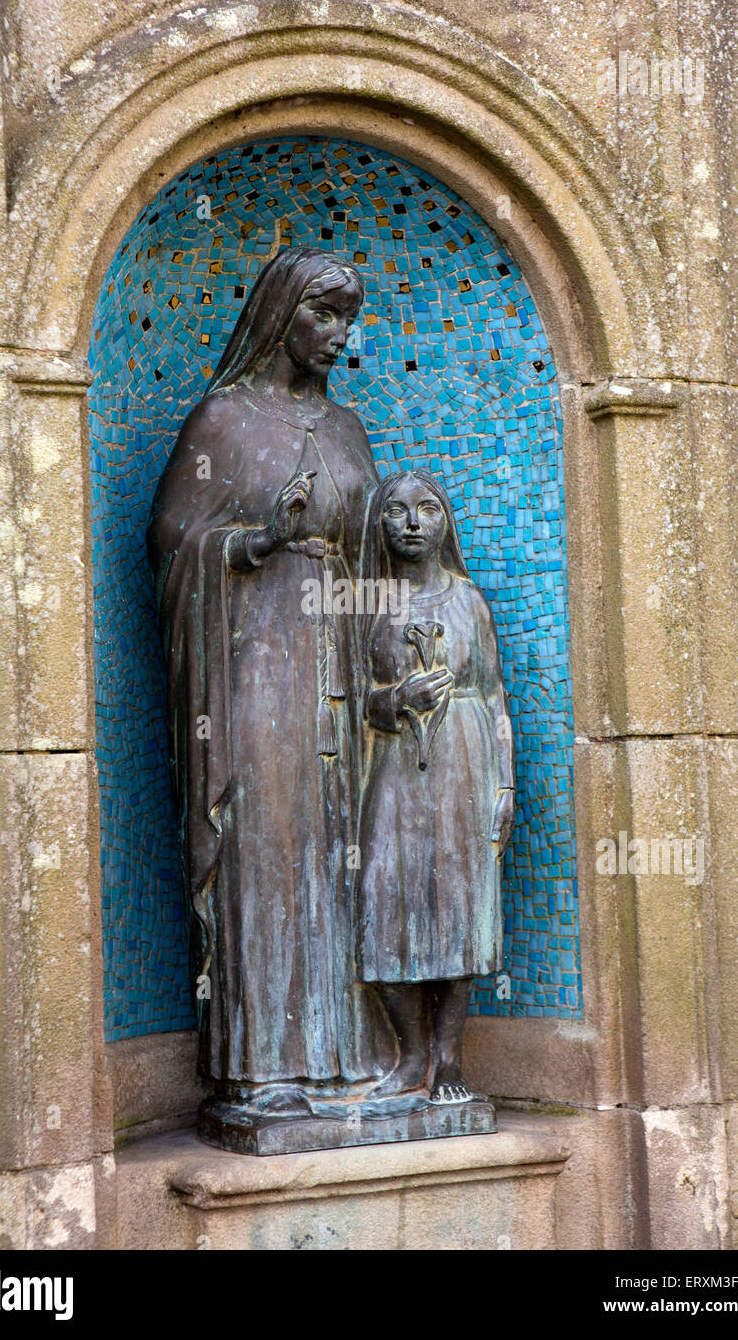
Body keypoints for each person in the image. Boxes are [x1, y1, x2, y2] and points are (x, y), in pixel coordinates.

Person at [147, 246, 392, 1115]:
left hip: (343, 663)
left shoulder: (348, 428)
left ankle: (352, 1055)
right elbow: (174, 543)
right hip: (253, 665)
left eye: (347, 318)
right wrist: (252, 540)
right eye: (322, 314)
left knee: (346, 848)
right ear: (281, 313)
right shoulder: (223, 420)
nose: (338, 335)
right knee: (269, 848)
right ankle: (265, 1065)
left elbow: (378, 544)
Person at [356, 470, 515, 1103]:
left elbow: (496, 694)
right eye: (397, 511)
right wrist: (394, 699)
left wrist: (504, 784)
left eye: (426, 509)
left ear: (445, 521)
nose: (413, 522)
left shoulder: (469, 601)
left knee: (460, 904)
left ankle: (447, 1057)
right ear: (381, 526)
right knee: (382, 898)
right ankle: (410, 1053)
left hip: (465, 765)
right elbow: (347, 701)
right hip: (394, 771)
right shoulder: (365, 606)